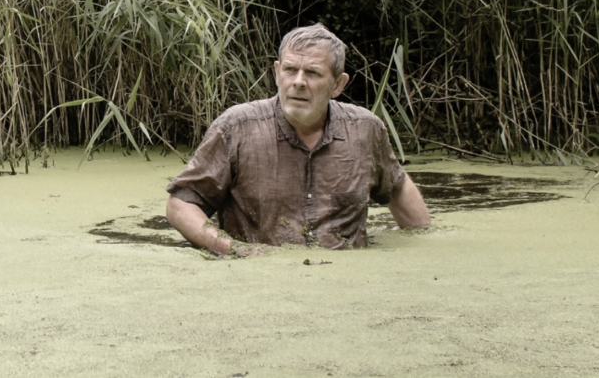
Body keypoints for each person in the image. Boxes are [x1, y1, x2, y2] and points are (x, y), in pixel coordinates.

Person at [165, 24, 430, 255]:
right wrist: (234, 249)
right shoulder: (236, 127)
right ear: (277, 72)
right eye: (290, 70)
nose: (298, 82)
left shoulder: (365, 130)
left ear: (338, 84)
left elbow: (397, 187)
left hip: (347, 281)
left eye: (313, 73)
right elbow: (181, 204)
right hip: (259, 278)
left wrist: (423, 251)